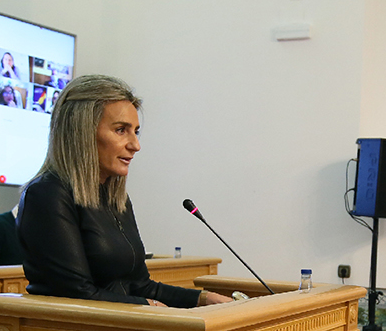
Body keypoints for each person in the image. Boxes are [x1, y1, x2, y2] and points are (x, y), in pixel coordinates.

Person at [18, 75, 232, 306]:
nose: (135, 145)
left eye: (135, 132)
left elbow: (139, 284)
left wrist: (205, 298)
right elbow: (76, 295)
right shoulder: (47, 194)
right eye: (121, 130)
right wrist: (146, 307)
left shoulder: (114, 197)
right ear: (82, 132)